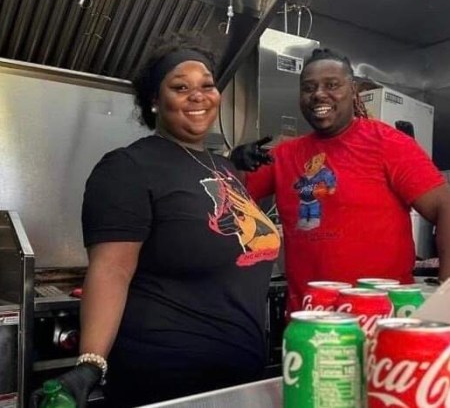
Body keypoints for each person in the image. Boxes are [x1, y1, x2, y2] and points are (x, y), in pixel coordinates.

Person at [31, 33, 281, 408]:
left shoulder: (222, 167)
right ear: (154, 100)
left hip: (237, 376)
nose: (197, 96)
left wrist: (236, 160)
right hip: (167, 379)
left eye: (207, 85)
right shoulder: (128, 168)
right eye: (180, 87)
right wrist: (90, 363)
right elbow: (111, 270)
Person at [231, 48, 450, 314]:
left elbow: (444, 206)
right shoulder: (283, 155)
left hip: (380, 320)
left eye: (332, 85)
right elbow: (228, 199)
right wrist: (234, 163)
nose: (319, 94)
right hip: (310, 321)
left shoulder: (388, 144)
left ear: (353, 91)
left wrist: (445, 299)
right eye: (308, 88)